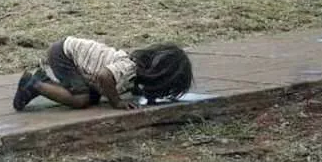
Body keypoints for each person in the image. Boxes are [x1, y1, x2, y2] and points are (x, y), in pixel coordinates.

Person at [13, 37, 193, 111]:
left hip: (71, 53)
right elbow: (104, 76)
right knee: (82, 99)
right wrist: (117, 102)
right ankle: (34, 84)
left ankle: (42, 80)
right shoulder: (128, 68)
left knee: (93, 98)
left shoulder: (134, 75)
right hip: (64, 54)